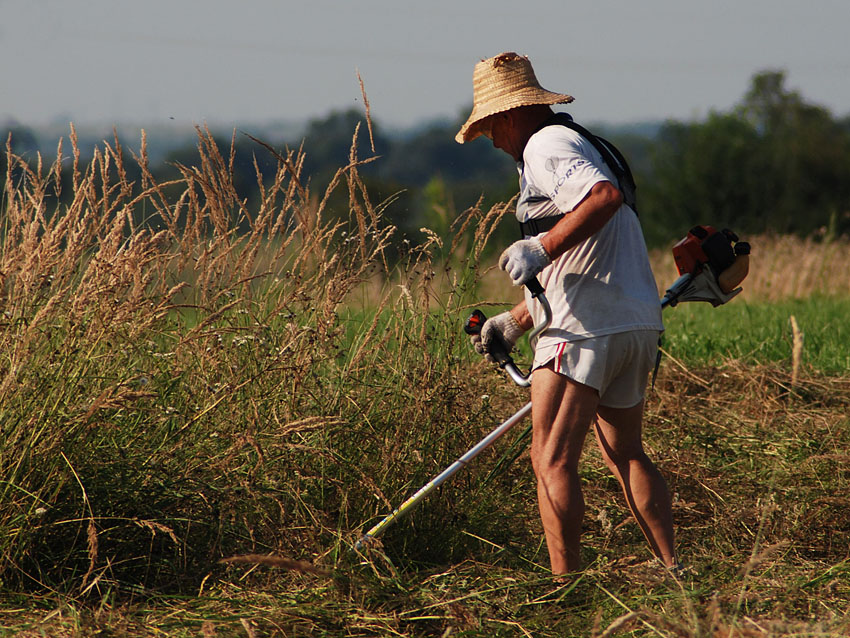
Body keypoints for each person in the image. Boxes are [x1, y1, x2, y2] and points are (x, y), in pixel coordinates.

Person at [456, 52, 677, 575]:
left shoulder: (544, 145)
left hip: (582, 332)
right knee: (627, 455)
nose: (489, 138)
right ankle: (674, 573)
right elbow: (587, 253)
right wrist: (513, 321)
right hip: (633, 324)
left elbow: (602, 198)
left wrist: (542, 246)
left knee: (551, 460)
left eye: (488, 126)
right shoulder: (583, 142)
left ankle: (565, 591)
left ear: (508, 115)